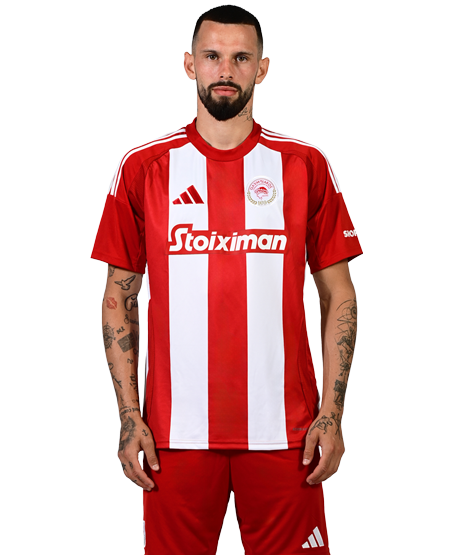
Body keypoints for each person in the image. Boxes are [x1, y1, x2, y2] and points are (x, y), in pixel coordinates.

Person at [91, 4, 362, 554]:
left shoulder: (303, 164)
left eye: (241, 58)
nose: (225, 70)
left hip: (288, 434)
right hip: (175, 435)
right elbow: (119, 298)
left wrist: (332, 415)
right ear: (189, 64)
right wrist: (129, 416)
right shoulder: (144, 167)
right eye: (212, 56)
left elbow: (339, 294)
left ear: (262, 68)